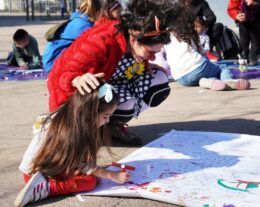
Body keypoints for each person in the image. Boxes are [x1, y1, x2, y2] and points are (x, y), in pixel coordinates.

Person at [47, 0, 174, 145]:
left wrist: (146, 64)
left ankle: (110, 125)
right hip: (70, 94)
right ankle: (93, 127)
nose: (152, 57)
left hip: (110, 81)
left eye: (156, 53)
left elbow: (128, 65)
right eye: (150, 52)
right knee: (126, 103)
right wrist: (76, 79)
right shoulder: (102, 41)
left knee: (159, 80)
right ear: (134, 39)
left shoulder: (134, 41)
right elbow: (60, 75)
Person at [14, 82, 129, 207]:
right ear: (90, 112)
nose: (107, 121)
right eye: (106, 116)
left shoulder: (67, 117)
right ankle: (46, 188)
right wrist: (111, 175)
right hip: (36, 174)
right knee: (90, 181)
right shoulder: (72, 133)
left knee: (90, 176)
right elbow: (81, 164)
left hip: (40, 168)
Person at [164, 5, 250, 91]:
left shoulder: (166, 36)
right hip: (198, 67)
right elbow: (201, 51)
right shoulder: (188, 34)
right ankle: (228, 80)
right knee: (222, 68)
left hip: (181, 78)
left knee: (206, 75)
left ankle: (207, 81)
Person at [43, 0, 122, 72]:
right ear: (101, 13)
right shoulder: (83, 26)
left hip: (54, 62)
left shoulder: (81, 19)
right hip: (54, 65)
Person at [228, 0, 260, 66]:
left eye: (251, 1)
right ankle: (243, 56)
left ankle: (254, 56)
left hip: (258, 12)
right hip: (243, 13)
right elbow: (231, 8)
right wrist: (236, 15)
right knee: (244, 37)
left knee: (256, 36)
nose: (249, 4)